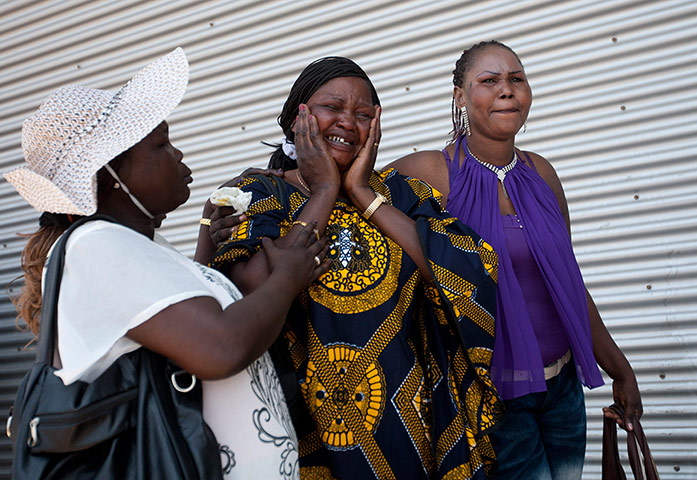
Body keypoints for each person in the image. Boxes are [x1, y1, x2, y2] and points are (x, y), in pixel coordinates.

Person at [5, 48, 329, 479]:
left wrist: (204, 255)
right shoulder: (95, 246)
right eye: (161, 144)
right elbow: (221, 347)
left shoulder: (133, 247)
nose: (177, 154)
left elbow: (173, 331)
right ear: (109, 179)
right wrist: (288, 277)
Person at [195, 57, 504, 479]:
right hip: (300, 430)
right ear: (295, 118)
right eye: (332, 108)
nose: (347, 122)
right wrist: (324, 190)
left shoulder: (402, 193)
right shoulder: (257, 193)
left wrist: (361, 193)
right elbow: (256, 289)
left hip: (407, 429)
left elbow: (465, 273)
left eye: (363, 115)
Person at [385, 41, 643, 479]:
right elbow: (351, 195)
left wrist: (619, 367)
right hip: (495, 396)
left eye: (516, 79)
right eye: (489, 81)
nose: (507, 90)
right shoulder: (431, 172)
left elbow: (567, 284)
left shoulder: (542, 173)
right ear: (460, 97)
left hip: (561, 390)